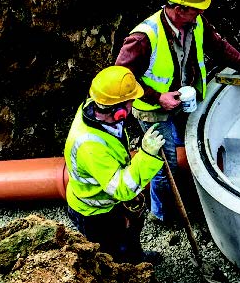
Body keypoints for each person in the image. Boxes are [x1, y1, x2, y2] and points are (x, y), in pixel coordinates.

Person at [114, 0, 240, 225]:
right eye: (195, 10)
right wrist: (157, 96)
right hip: (154, 109)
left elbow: (220, 48)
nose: (200, 13)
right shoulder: (143, 38)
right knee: (163, 165)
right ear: (178, 8)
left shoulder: (195, 24)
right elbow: (120, 78)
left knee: (191, 146)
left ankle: (186, 193)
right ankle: (162, 214)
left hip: (184, 100)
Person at [64, 66, 166, 265]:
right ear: (118, 110)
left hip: (107, 205)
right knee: (113, 255)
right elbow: (122, 189)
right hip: (94, 214)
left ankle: (137, 260)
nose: (132, 105)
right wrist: (146, 155)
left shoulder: (95, 109)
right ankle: (130, 281)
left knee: (126, 239)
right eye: (130, 102)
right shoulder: (90, 146)